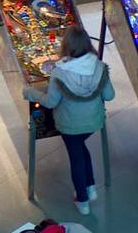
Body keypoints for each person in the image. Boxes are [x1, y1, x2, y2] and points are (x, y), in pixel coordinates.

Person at [23, 25, 115, 215]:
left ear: (67, 45)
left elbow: (51, 102)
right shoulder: (100, 67)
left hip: (69, 124)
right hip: (94, 121)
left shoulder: (59, 71)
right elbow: (110, 95)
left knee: (76, 158)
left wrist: (31, 93)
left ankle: (83, 201)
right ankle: (90, 187)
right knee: (81, 149)